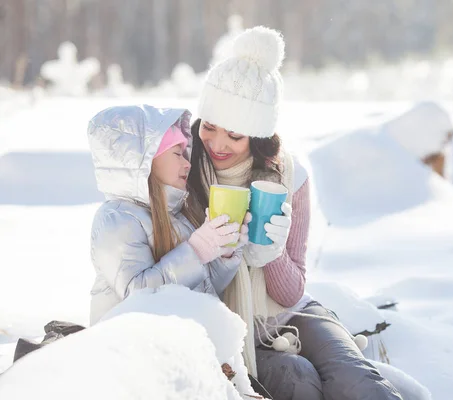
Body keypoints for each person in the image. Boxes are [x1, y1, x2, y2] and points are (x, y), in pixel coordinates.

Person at [188, 26, 403, 400]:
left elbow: (290, 294)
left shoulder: (289, 176)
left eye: (235, 135)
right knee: (296, 378)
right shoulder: (184, 169)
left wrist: (271, 253)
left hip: (292, 313)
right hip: (229, 329)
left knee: (358, 381)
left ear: (256, 134)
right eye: (209, 126)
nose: (217, 143)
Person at [87, 104, 249, 325]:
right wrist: (196, 251)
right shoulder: (117, 219)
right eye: (177, 153)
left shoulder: (176, 215)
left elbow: (205, 288)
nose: (187, 163)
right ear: (144, 162)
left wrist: (223, 251)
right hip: (133, 351)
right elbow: (138, 298)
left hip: (180, 345)